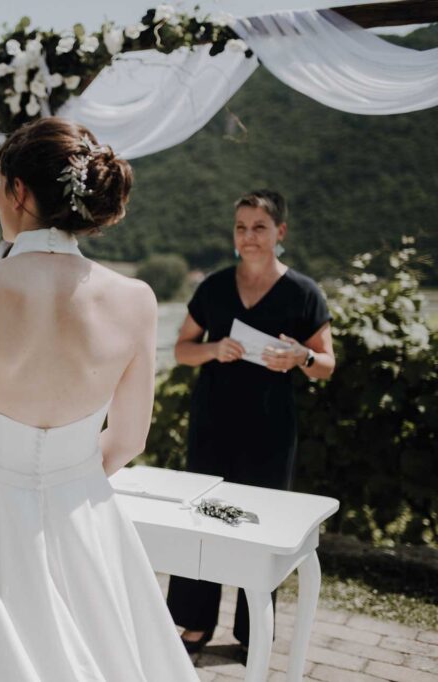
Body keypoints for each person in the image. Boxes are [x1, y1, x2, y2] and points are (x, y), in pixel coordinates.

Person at [0, 117, 199, 681]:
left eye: (1, 184)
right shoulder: (136, 299)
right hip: (85, 514)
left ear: (17, 190)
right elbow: (129, 439)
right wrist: (68, 473)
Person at [165, 189, 336, 656]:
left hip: (270, 431)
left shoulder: (304, 292)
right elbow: (181, 350)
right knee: (199, 519)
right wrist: (213, 350)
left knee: (260, 528)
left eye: (259, 227)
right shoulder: (214, 288)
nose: (249, 236)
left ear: (280, 232)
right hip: (212, 423)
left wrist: (301, 357)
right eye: (241, 227)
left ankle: (250, 632)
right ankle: (195, 625)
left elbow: (326, 363)